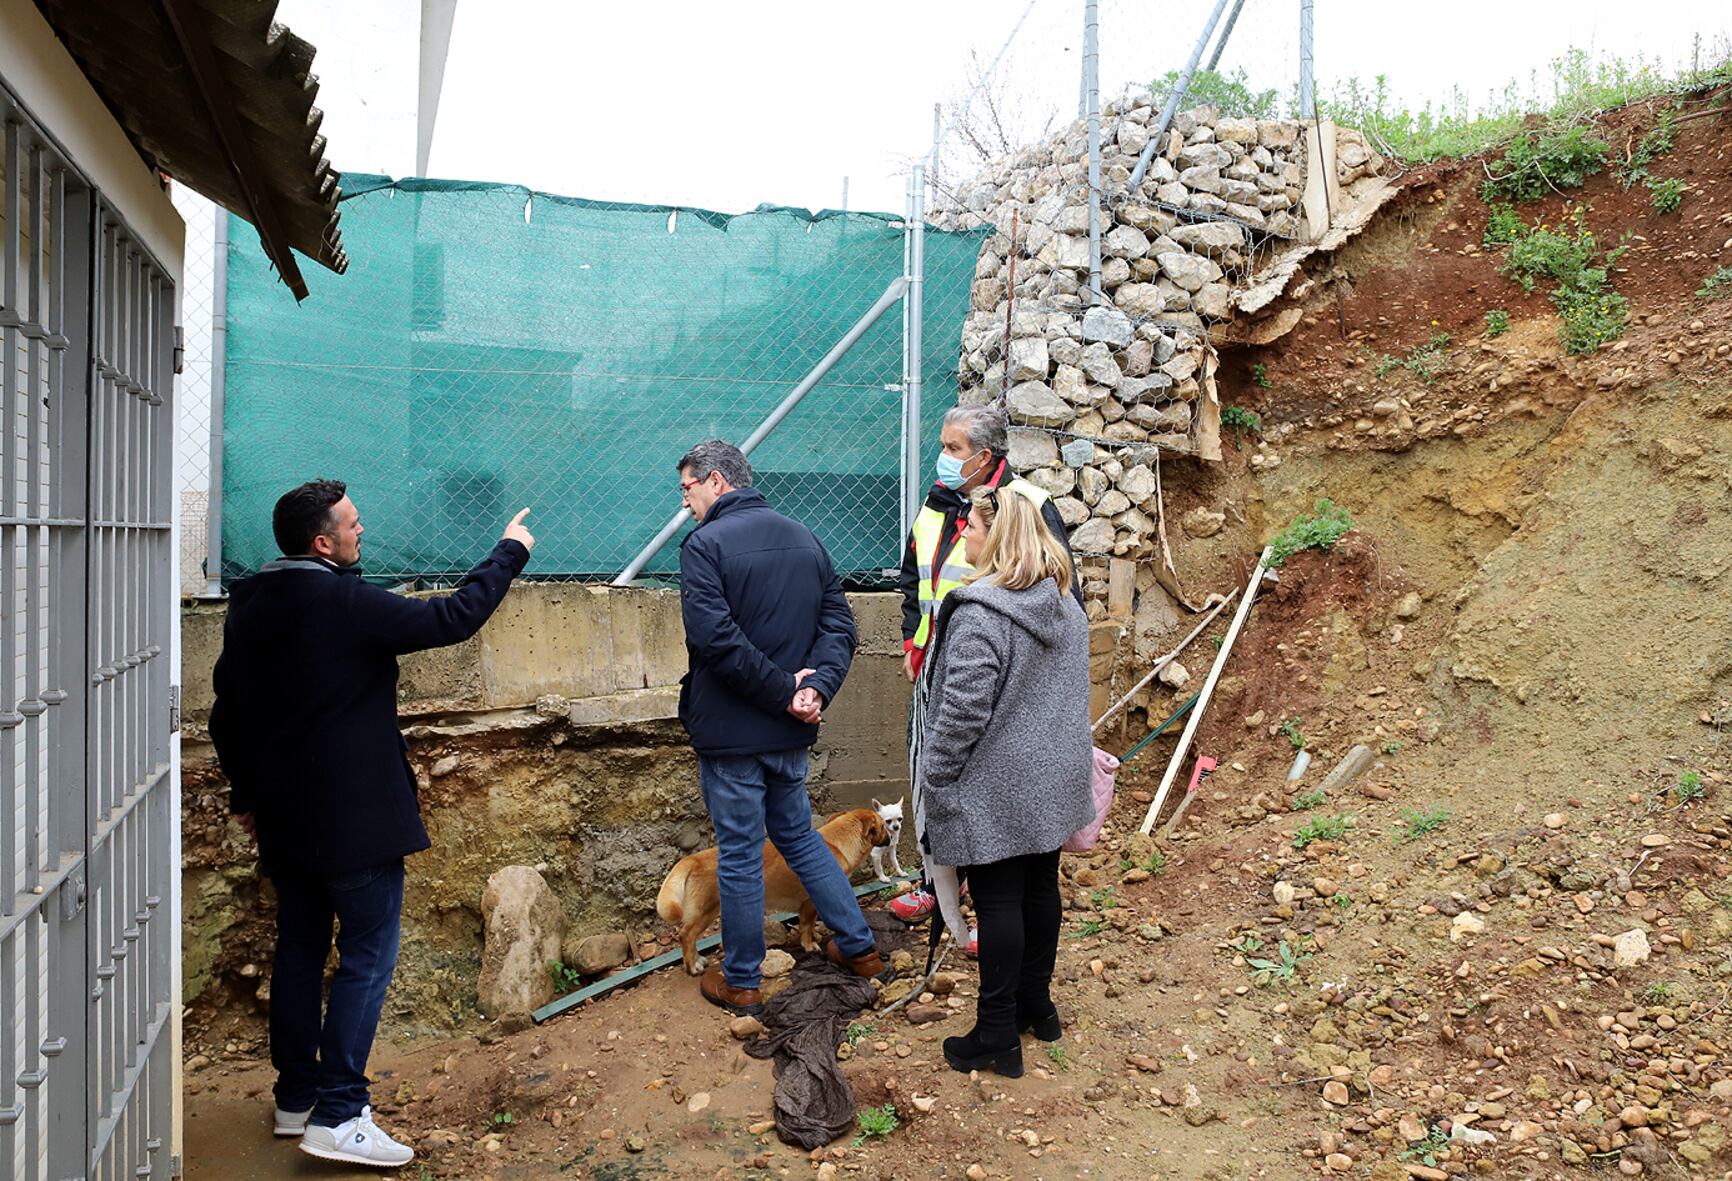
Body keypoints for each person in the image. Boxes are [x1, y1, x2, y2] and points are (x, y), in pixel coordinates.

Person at [210, 480, 535, 1167]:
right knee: (365, 957)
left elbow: (224, 713)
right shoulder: (344, 600)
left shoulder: (251, 606)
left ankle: (297, 1096)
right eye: (353, 524)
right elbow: (453, 618)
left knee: (300, 950)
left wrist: (248, 792)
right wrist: (509, 550)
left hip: (287, 822)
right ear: (322, 542)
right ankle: (340, 1113)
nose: (364, 531)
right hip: (356, 822)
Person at [674, 440, 886, 1018]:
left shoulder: (704, 546)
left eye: (687, 488)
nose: (685, 501)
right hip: (790, 732)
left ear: (715, 481)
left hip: (734, 733)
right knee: (797, 836)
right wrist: (813, 688)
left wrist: (784, 692)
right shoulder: (805, 537)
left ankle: (741, 980)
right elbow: (840, 625)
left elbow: (714, 638)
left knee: (741, 853)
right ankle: (861, 949)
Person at [916, 485, 1094, 1079]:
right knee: (1041, 890)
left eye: (971, 526)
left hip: (994, 782)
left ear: (999, 536)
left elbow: (962, 713)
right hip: (1054, 774)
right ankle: (1035, 1007)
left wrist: (937, 780)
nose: (962, 533)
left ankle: (995, 1033)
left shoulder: (981, 613)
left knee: (997, 904)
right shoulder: (1067, 606)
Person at [891, 404, 1082, 931]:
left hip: (996, 671)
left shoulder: (1025, 505)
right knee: (929, 781)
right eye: (943, 446)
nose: (943, 458)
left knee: (982, 788)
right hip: (933, 667)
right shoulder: (935, 506)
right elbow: (913, 580)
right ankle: (938, 886)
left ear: (984, 456)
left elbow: (1060, 595)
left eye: (953, 449)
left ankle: (984, 902)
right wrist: (914, 641)